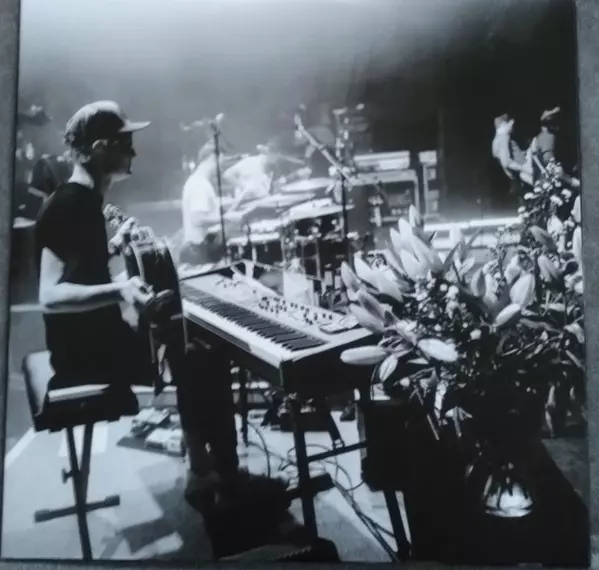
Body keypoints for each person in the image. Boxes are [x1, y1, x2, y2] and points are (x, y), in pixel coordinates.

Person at [35, 100, 289, 520]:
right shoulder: (71, 205)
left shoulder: (85, 201)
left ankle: (202, 469)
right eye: (125, 142)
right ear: (99, 148)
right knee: (205, 353)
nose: (133, 152)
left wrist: (114, 252)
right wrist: (120, 289)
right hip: (85, 357)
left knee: (188, 342)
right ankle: (226, 480)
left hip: (94, 342)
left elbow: (80, 267)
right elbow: (49, 294)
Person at [179, 140, 246, 266]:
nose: (221, 168)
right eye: (220, 162)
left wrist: (231, 203)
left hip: (202, 246)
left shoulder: (199, 181)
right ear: (212, 158)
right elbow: (198, 219)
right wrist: (227, 218)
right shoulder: (199, 184)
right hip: (200, 250)